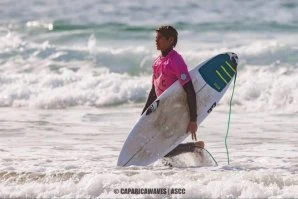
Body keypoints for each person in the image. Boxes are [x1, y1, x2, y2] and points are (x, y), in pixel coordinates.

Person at [142, 25, 205, 157]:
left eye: (160, 38)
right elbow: (154, 91)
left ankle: (194, 147)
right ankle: (174, 169)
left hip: (174, 110)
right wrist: (144, 114)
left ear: (170, 40)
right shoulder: (157, 62)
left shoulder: (175, 60)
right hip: (161, 110)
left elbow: (189, 89)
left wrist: (193, 120)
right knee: (160, 147)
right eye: (156, 38)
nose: (156, 41)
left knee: (162, 149)